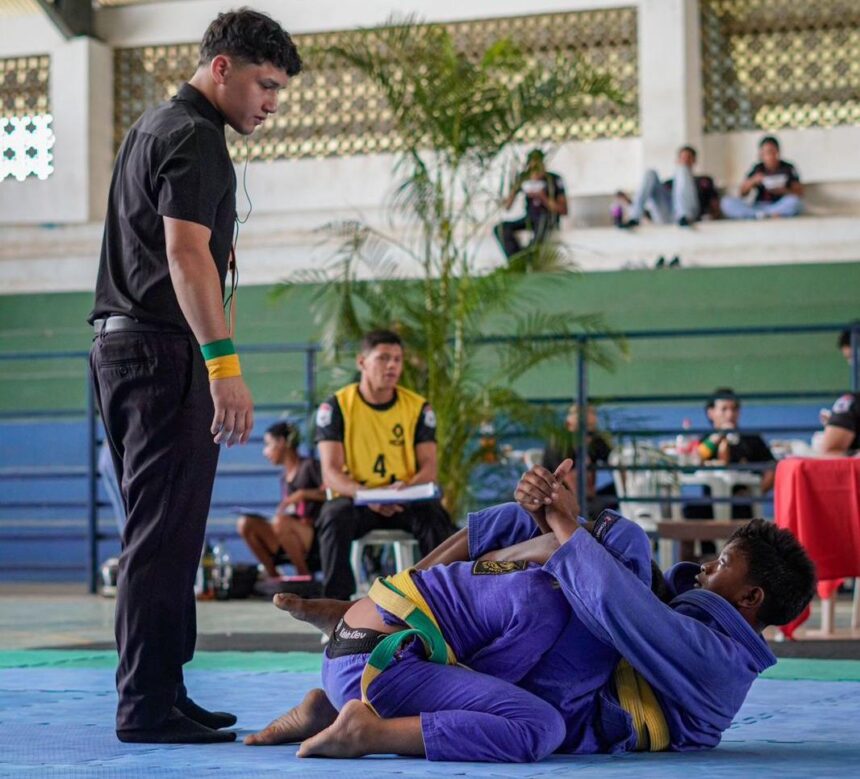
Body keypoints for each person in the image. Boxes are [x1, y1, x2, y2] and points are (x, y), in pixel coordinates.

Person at [247, 461, 815, 762]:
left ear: (751, 599)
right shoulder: (699, 613)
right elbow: (629, 597)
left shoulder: (719, 664)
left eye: (721, 564)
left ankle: (362, 669)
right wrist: (552, 514)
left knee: (614, 547)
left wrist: (563, 522)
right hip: (565, 676)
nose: (706, 568)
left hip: (578, 705)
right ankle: (389, 600)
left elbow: (624, 609)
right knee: (607, 543)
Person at [87, 10, 302, 744]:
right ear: (222, 69)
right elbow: (186, 256)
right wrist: (224, 365)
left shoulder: (154, 126)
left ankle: (165, 691)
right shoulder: (197, 137)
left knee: (168, 533)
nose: (270, 102)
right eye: (264, 84)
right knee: (159, 536)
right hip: (161, 354)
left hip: (123, 351)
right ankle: (144, 703)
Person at [314, 329, 453, 599]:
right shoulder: (336, 407)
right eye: (383, 358)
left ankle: (441, 600)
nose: (392, 366)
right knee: (333, 516)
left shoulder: (418, 407)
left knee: (435, 516)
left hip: (404, 496)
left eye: (398, 359)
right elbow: (331, 474)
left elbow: (429, 467)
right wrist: (368, 496)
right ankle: (337, 606)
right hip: (358, 499)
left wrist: (406, 488)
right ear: (362, 362)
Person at [237, 422, 325, 577]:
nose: (265, 452)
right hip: (289, 532)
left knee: (280, 522)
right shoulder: (284, 477)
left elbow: (331, 494)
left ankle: (303, 575)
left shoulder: (310, 466)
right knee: (245, 523)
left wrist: (303, 494)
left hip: (313, 536)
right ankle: (274, 576)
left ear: (282, 442)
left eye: (268, 445)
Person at [542, 402, 617, 518]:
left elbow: (614, 459)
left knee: (619, 490)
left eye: (590, 428)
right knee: (595, 507)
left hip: (587, 494)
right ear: (569, 425)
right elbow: (572, 482)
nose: (586, 434)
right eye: (581, 428)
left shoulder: (595, 439)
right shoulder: (561, 443)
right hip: (560, 497)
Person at [619, 145, 719, 228]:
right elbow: (652, 208)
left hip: (690, 215)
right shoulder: (668, 184)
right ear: (677, 160)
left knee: (682, 170)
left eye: (688, 158)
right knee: (650, 173)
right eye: (682, 158)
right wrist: (629, 202)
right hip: (667, 216)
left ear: (694, 161)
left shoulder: (703, 181)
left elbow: (713, 204)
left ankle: (684, 216)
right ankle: (634, 217)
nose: (685, 161)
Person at [494, 149, 567, 259]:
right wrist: (515, 188)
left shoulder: (554, 179)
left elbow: (563, 210)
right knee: (501, 228)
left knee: (542, 223)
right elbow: (507, 207)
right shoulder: (524, 178)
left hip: (547, 218)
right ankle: (516, 258)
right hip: (530, 218)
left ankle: (530, 256)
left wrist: (543, 197)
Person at [721, 136, 803, 220]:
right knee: (727, 202)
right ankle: (761, 215)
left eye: (772, 152)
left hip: (779, 205)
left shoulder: (788, 168)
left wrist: (783, 190)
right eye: (766, 153)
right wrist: (753, 181)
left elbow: (799, 193)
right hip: (758, 206)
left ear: (777, 152)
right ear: (761, 154)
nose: (769, 156)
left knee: (795, 202)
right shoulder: (757, 168)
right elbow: (742, 193)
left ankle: (763, 215)